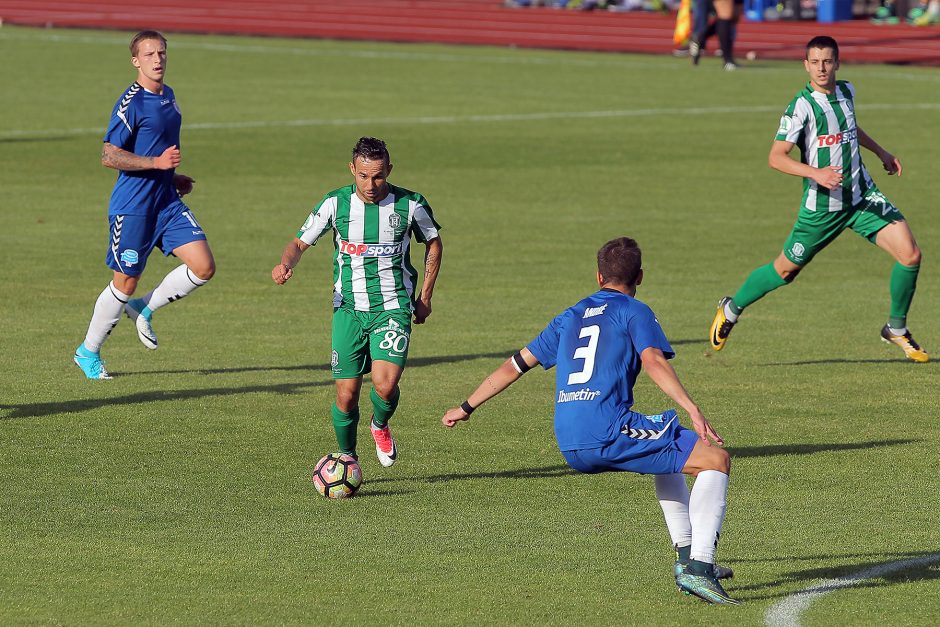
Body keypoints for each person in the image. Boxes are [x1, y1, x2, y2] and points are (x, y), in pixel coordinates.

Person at [442, 237, 738, 605]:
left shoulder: (569, 316)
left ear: (598, 276)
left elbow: (514, 366)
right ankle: (700, 567)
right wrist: (693, 407)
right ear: (640, 276)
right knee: (715, 460)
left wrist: (465, 407)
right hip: (606, 429)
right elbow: (653, 361)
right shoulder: (635, 311)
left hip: (569, 439)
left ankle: (685, 559)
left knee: (668, 445)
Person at [710, 36, 927, 363]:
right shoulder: (801, 106)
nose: (822, 68)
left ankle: (896, 328)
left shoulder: (847, 91)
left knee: (910, 255)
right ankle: (732, 307)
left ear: (837, 63)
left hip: (862, 197)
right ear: (806, 65)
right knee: (784, 271)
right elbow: (776, 157)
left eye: (827, 61)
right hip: (822, 208)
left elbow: (851, 128)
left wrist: (881, 151)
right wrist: (816, 173)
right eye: (815, 62)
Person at [272, 137, 443, 467]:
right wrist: (286, 264)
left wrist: (425, 297)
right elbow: (298, 243)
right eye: (363, 176)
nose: (370, 184)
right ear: (352, 169)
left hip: (392, 307)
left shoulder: (411, 204)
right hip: (348, 309)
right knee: (346, 394)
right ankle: (348, 458)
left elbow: (433, 243)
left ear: (388, 170)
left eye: (378, 176)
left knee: (385, 383)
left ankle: (379, 424)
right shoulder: (335, 203)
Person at [74, 30, 216, 379]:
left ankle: (144, 309)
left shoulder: (169, 96)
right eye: (149, 54)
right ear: (135, 61)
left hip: (166, 201)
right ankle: (87, 352)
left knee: (203, 266)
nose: (157, 59)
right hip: (133, 207)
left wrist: (172, 177)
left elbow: (160, 148)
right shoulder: (131, 102)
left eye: (162, 52)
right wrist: (156, 165)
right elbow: (108, 155)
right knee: (124, 282)